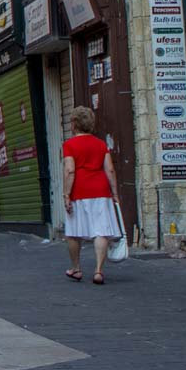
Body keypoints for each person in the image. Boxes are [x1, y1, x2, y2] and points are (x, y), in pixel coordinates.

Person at [62, 106, 122, 284]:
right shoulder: (101, 144)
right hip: (100, 190)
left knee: (73, 233)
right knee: (101, 231)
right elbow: (110, 169)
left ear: (74, 124)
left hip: (79, 191)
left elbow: (69, 171)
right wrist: (115, 193)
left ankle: (76, 268)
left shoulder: (69, 145)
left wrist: (66, 194)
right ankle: (98, 271)